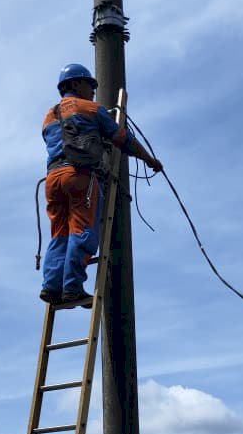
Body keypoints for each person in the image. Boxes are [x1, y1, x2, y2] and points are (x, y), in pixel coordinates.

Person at [40, 62, 162, 308]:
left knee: (60, 233)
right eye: (90, 85)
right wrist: (149, 159)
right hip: (79, 176)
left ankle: (51, 286)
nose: (94, 90)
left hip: (53, 179)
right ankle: (72, 288)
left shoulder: (49, 115)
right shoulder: (91, 109)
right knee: (82, 231)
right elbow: (122, 139)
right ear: (75, 84)